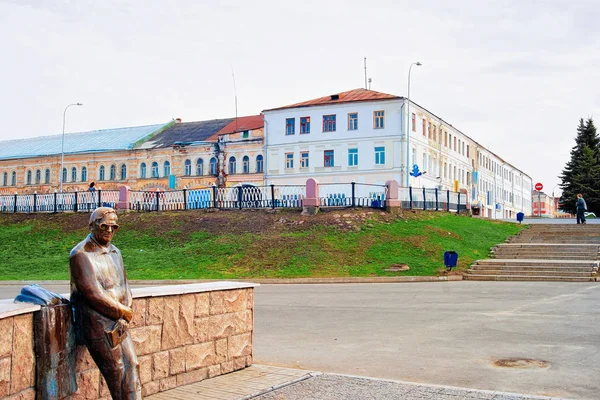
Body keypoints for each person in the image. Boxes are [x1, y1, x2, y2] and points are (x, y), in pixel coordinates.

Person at [69, 207, 141, 399]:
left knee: (132, 365)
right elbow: (92, 293)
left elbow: (125, 286)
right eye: (104, 226)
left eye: (113, 227)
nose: (109, 231)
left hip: (119, 321)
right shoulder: (80, 255)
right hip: (96, 322)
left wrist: (126, 313)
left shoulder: (115, 252)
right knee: (116, 372)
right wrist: (123, 313)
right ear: (92, 226)